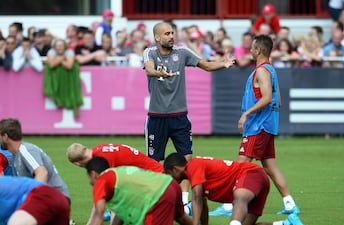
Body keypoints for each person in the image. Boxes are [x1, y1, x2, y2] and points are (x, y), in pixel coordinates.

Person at [143, 21, 235, 206]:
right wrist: (157, 72)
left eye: (172, 33)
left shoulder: (182, 53)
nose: (171, 36)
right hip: (156, 118)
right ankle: (157, 198)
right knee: (153, 163)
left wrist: (223, 64)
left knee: (187, 161)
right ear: (157, 37)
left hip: (179, 117)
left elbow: (206, 66)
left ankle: (184, 202)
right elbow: (150, 69)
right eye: (167, 33)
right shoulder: (149, 52)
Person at [211, 35, 301, 217]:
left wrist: (246, 114)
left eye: (252, 48)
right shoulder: (271, 70)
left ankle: (229, 205)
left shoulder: (261, 71)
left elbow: (267, 98)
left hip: (257, 127)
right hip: (267, 125)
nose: (249, 51)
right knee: (270, 167)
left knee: (240, 166)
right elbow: (279, 100)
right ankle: (290, 205)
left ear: (258, 50)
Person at [164, 153, 304, 225]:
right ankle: (287, 223)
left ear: (175, 169)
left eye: (169, 174)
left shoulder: (193, 165)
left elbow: (197, 198)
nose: (171, 179)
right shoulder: (196, 176)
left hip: (250, 174)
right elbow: (203, 205)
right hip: (257, 181)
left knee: (239, 198)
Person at [84, 156, 192, 225]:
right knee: (181, 217)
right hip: (170, 184)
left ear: (93, 174)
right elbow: (121, 213)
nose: (90, 183)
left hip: (158, 196)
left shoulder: (101, 180)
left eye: (89, 178)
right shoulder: (119, 173)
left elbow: (98, 216)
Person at [0, 118, 70, 198]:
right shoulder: (15, 155)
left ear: (6, 137)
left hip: (56, 197)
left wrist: (33, 199)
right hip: (49, 197)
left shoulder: (25, 150)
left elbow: (42, 173)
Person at [67, 143, 163, 172]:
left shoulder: (103, 158)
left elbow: (111, 184)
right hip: (154, 170)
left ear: (78, 163)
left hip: (154, 176)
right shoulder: (99, 148)